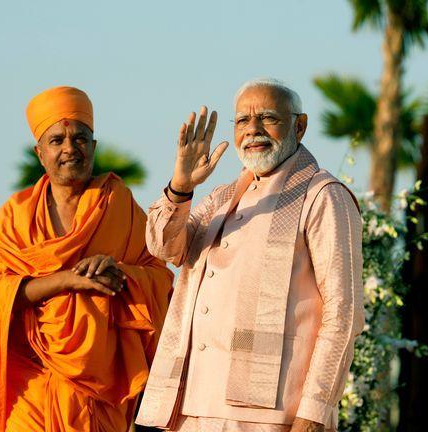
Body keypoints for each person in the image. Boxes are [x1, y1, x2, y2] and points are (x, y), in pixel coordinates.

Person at [136, 78, 365, 432]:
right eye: (242, 121)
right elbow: (164, 248)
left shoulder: (323, 195)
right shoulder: (221, 196)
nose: (253, 130)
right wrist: (181, 186)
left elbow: (344, 311)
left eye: (268, 118)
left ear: (299, 126)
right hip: (191, 404)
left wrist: (315, 410)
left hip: (271, 412)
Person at [0, 86, 174, 432]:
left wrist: (119, 273)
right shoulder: (13, 218)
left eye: (80, 138)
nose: (70, 149)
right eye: (57, 140)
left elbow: (160, 279)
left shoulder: (118, 206)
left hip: (99, 393)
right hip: (32, 389)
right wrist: (69, 280)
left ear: (93, 147)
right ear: (39, 152)